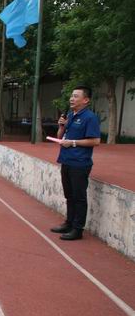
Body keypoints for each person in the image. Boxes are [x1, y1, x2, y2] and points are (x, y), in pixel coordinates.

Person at [50, 86, 101, 241]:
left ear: (86, 100)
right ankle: (69, 223)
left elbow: (95, 141)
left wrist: (72, 142)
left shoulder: (90, 117)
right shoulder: (71, 115)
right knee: (69, 195)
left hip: (80, 163)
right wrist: (61, 125)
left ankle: (78, 229)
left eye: (76, 96)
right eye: (71, 96)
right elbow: (60, 136)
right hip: (66, 160)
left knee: (79, 196)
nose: (72, 99)